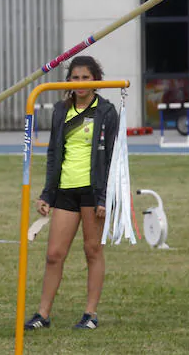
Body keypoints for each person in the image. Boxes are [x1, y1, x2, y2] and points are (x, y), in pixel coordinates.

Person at [24, 56, 118, 332]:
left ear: (96, 80)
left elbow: (114, 157)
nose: (79, 83)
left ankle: (90, 313)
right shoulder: (59, 110)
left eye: (85, 78)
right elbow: (54, 153)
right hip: (65, 190)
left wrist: (105, 198)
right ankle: (43, 314)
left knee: (92, 250)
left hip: (93, 191)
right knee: (54, 254)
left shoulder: (107, 111)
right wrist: (47, 194)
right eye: (74, 78)